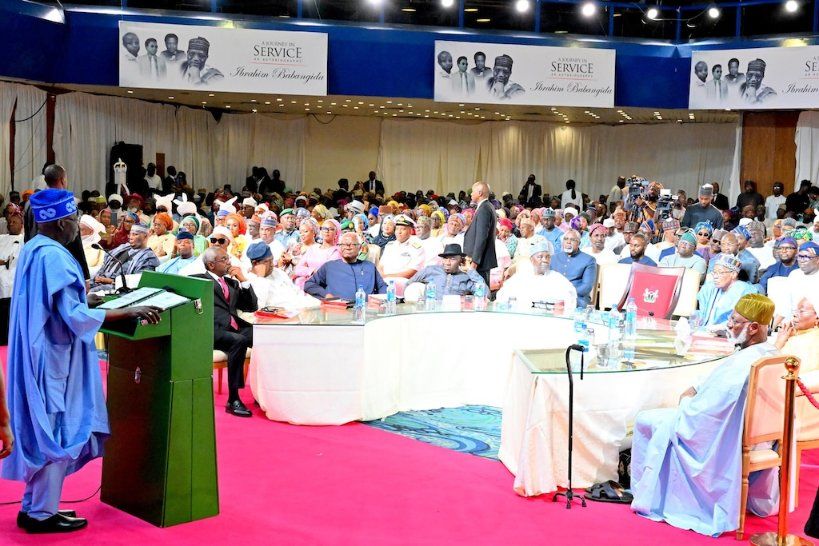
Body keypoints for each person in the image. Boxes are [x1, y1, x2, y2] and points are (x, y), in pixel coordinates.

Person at [3, 188, 160, 533]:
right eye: (74, 219)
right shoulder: (55, 257)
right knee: (55, 430)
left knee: (42, 426)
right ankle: (41, 514)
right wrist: (126, 311)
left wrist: (82, 295)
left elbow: (53, 300)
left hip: (40, 351)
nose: (77, 225)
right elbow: (74, 317)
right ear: (61, 222)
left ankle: (35, 506)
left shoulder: (33, 249)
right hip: (53, 359)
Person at [631, 294, 778, 537]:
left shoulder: (746, 363)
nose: (729, 325)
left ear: (753, 327)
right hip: (763, 436)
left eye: (735, 320)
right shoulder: (771, 353)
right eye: (730, 318)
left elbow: (705, 418)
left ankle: (646, 493)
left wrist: (687, 403)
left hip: (725, 438)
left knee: (646, 419)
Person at [193, 247, 257, 417]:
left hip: (235, 326)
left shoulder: (233, 283)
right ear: (211, 265)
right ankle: (234, 399)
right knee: (239, 341)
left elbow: (251, 307)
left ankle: (263, 392)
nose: (229, 262)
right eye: (224, 259)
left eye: (228, 258)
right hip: (211, 329)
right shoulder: (199, 281)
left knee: (266, 337)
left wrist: (243, 279)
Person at [23, 164, 90, 282]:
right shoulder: (66, 202)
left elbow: (27, 235)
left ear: (45, 180)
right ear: (63, 179)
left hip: (35, 259)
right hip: (60, 263)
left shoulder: (30, 203)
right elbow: (75, 241)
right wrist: (85, 276)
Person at [497, 240, 577, 313]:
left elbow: (570, 300)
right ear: (531, 260)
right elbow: (503, 297)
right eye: (540, 257)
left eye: (547, 257)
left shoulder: (558, 279)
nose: (545, 260)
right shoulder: (520, 278)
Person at [304, 232, 388, 301]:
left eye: (352, 244)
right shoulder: (329, 266)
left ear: (359, 248)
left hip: (367, 310)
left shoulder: (369, 267)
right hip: (338, 311)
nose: (348, 247)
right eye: (344, 244)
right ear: (340, 247)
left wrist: (380, 299)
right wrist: (326, 295)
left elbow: (382, 286)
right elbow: (309, 284)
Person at [245, 241, 319, 311]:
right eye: (267, 262)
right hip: (285, 317)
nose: (272, 264)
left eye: (272, 260)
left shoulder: (277, 272)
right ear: (255, 263)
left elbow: (296, 290)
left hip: (304, 306)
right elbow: (259, 309)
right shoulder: (250, 283)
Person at [91, 221, 160, 291]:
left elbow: (139, 282)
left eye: (135, 234)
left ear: (145, 237)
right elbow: (105, 263)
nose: (131, 237)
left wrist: (111, 281)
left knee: (91, 293)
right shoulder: (122, 248)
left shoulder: (148, 257)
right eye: (130, 234)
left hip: (119, 289)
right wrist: (98, 277)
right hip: (99, 281)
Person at [697, 254, 756, 329]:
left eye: (720, 273)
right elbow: (701, 314)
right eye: (714, 272)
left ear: (734, 274)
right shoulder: (709, 288)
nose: (715, 276)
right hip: (704, 331)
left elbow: (743, 321)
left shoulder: (745, 291)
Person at [407, 243, 484, 297]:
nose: (447, 263)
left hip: (455, 314)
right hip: (431, 311)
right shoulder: (431, 270)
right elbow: (409, 284)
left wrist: (470, 269)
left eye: (452, 259)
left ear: (461, 261)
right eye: (445, 258)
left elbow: (485, 294)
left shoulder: (466, 277)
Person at [775, 241, 819, 326]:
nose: (802, 260)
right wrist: (770, 329)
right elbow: (784, 307)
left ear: (817, 259)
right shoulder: (794, 275)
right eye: (800, 256)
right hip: (793, 324)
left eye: (806, 257)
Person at [463, 182, 498, 286]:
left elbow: (481, 237)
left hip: (480, 263)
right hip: (480, 261)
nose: (471, 194)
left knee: (480, 293)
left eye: (472, 192)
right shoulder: (487, 206)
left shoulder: (484, 208)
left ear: (479, 193)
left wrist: (475, 262)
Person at [551, 229, 597, 308]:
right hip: (553, 296)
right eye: (566, 239)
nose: (568, 242)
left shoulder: (589, 260)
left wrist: (567, 294)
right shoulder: (554, 258)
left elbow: (586, 287)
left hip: (577, 298)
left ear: (579, 243)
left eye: (572, 240)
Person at [292, 219, 341, 289]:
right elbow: (298, 269)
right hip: (303, 285)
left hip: (322, 288)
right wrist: (312, 271)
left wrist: (307, 270)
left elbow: (326, 274)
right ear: (321, 231)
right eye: (324, 228)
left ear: (336, 233)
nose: (327, 231)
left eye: (331, 229)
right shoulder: (312, 248)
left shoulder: (336, 252)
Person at [380, 215, 424, 282]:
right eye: (397, 229)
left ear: (410, 231)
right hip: (383, 281)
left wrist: (387, 277)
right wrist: (381, 277)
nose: (399, 232)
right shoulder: (389, 245)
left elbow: (412, 272)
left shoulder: (416, 248)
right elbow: (380, 266)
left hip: (403, 282)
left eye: (403, 229)